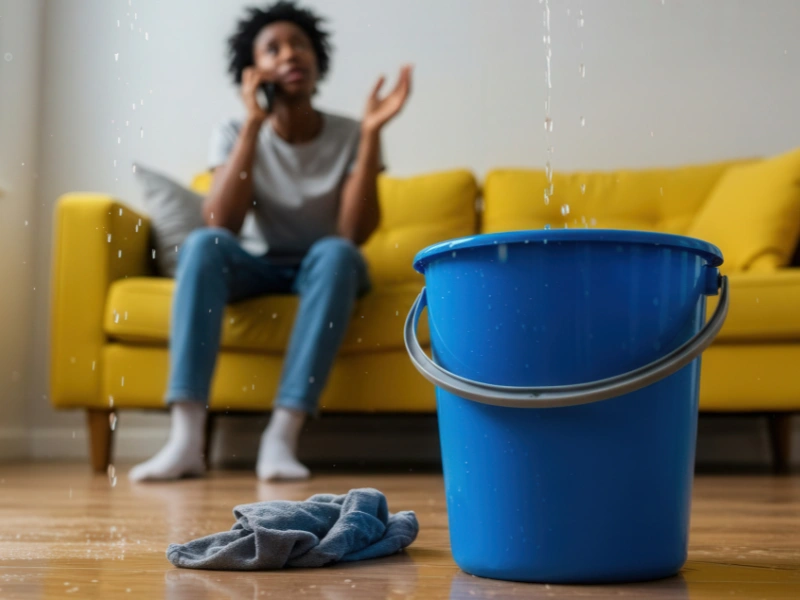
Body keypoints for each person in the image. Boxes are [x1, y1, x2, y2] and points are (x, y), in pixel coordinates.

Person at [129, 1, 412, 482]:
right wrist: (254, 125)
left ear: (317, 59)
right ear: (252, 70)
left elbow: (353, 233)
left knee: (337, 252)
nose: (290, 54)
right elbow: (221, 222)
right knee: (202, 245)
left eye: (300, 44)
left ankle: (282, 435)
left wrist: (369, 136)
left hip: (325, 267)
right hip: (258, 265)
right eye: (273, 48)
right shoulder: (236, 130)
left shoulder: (350, 133)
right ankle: (186, 439)